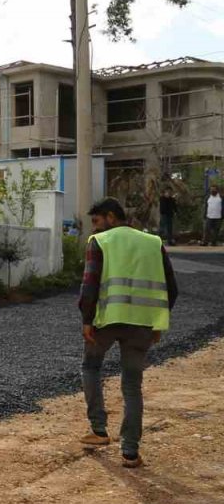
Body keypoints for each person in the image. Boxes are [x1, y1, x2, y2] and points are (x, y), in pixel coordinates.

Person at [78, 197, 178, 468]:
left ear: (111, 217)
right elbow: (172, 288)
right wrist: (156, 322)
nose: (95, 228)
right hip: (142, 325)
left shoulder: (101, 242)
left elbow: (90, 286)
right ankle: (130, 452)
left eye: (97, 221)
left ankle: (99, 430)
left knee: (90, 367)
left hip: (106, 321)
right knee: (132, 385)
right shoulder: (153, 243)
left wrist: (87, 320)